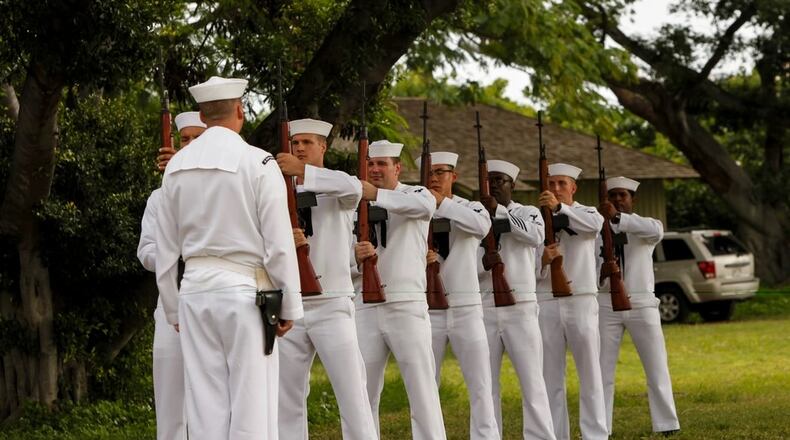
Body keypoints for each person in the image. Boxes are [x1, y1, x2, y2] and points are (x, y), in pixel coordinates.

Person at [155, 76, 303, 440]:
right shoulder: (259, 162)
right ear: (240, 110)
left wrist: (173, 308)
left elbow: (166, 247)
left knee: (205, 407)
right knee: (252, 405)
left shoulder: (176, 166)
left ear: (203, 117)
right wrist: (290, 306)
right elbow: (279, 243)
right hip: (244, 293)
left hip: (194, 292)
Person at [275, 118, 377, 439]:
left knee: (352, 396)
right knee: (287, 400)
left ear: (323, 147)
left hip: (332, 302)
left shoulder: (338, 183)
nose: (300, 148)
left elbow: (355, 188)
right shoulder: (277, 187)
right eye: (296, 142)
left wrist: (302, 172)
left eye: (307, 142)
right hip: (291, 304)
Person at [353, 140, 447, 440]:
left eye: (382, 164)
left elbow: (424, 206)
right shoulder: (357, 202)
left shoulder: (414, 193)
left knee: (421, 388)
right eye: (371, 164)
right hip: (365, 303)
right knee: (362, 390)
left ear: (397, 168)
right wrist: (355, 256)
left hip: (406, 303)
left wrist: (376, 195)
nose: (375, 169)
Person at [419, 152, 499, 440]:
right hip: (429, 307)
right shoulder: (415, 208)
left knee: (480, 384)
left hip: (466, 306)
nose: (434, 178)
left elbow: (481, 227)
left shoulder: (471, 207)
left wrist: (442, 203)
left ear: (454, 176)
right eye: (430, 173)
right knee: (426, 383)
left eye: (441, 172)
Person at [137, 111, 205, 440]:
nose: (189, 145)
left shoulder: (221, 190)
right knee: (170, 405)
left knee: (214, 404)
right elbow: (146, 251)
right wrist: (170, 254)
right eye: (185, 139)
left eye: (197, 138)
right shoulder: (158, 197)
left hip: (211, 302)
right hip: (171, 307)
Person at [477, 160, 556, 440]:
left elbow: (535, 235)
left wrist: (496, 211)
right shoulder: (474, 214)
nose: (495, 185)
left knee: (532, 380)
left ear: (512, 184)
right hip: (484, 304)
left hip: (520, 306)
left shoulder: (528, 212)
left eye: (501, 180)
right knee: (485, 383)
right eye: (490, 180)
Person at [597, 176, 680, 435]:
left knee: (656, 365)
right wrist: (603, 271)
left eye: (623, 195)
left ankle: (667, 423)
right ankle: (601, 426)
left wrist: (619, 220)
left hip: (641, 303)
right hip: (606, 303)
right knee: (601, 370)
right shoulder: (596, 229)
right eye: (613, 196)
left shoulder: (645, 226)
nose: (618, 200)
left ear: (633, 199)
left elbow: (657, 231)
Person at [536, 163, 608, 440]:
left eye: (561, 184)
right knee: (550, 374)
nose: (555, 189)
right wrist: (542, 260)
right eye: (551, 184)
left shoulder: (586, 212)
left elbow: (594, 227)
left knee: (589, 370)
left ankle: (596, 433)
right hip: (546, 299)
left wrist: (558, 210)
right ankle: (556, 433)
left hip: (581, 299)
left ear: (573, 187)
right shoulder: (535, 217)